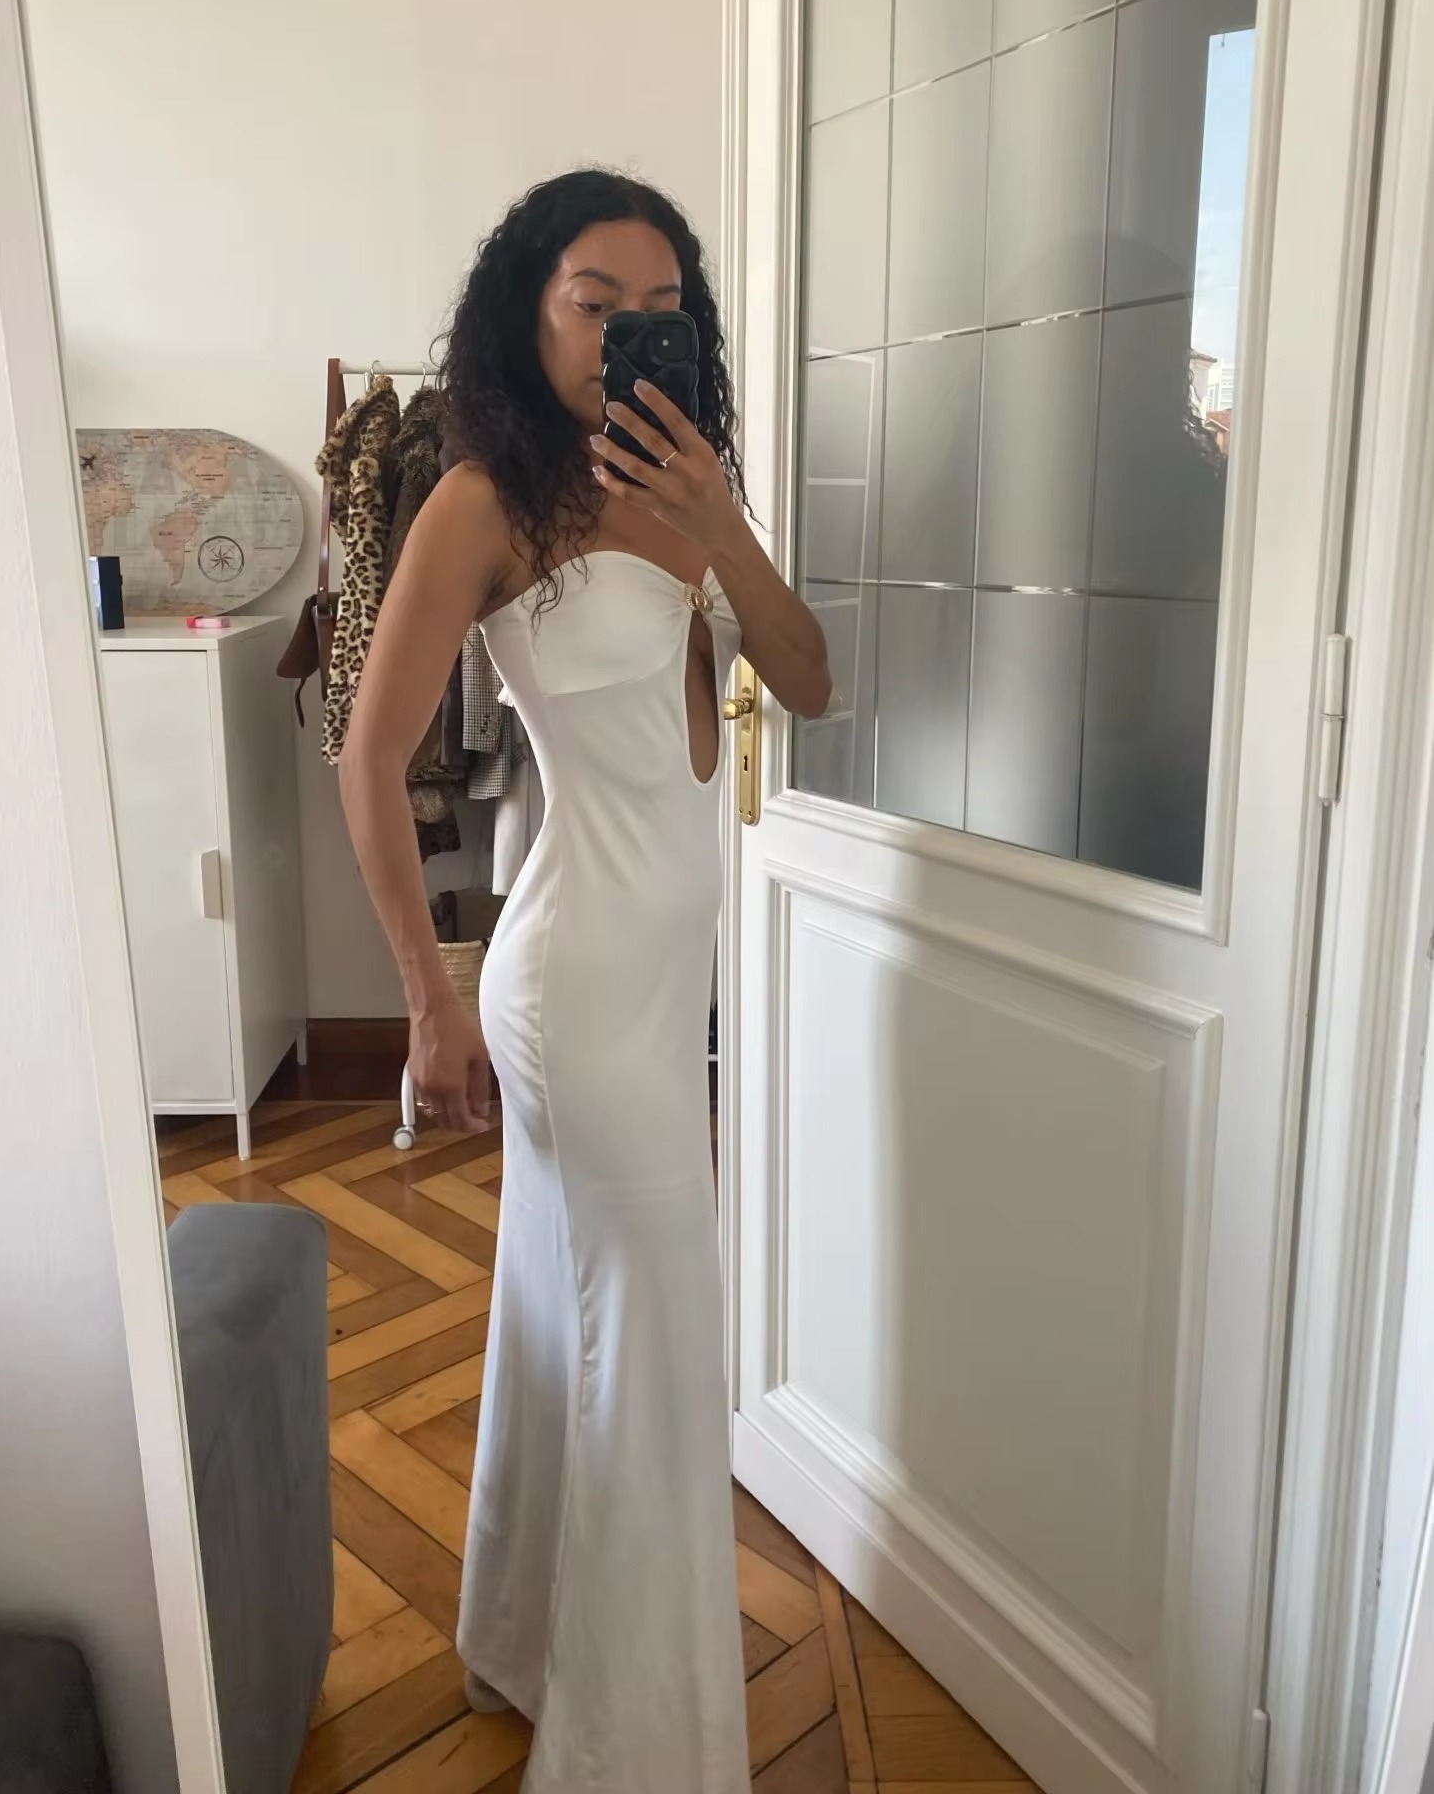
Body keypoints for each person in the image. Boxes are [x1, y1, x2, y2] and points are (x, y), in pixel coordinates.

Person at [339, 168, 831, 1792]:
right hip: (577, 987)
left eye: (660, 309)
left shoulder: (692, 491)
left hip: (658, 978)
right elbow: (367, 757)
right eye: (595, 304)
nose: (628, 331)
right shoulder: (487, 502)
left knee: (573, 1313)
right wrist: (427, 999)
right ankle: (641, 1752)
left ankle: (524, 1642)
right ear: (530, 314)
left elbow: (809, 681)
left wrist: (724, 524)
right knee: (658, 1352)